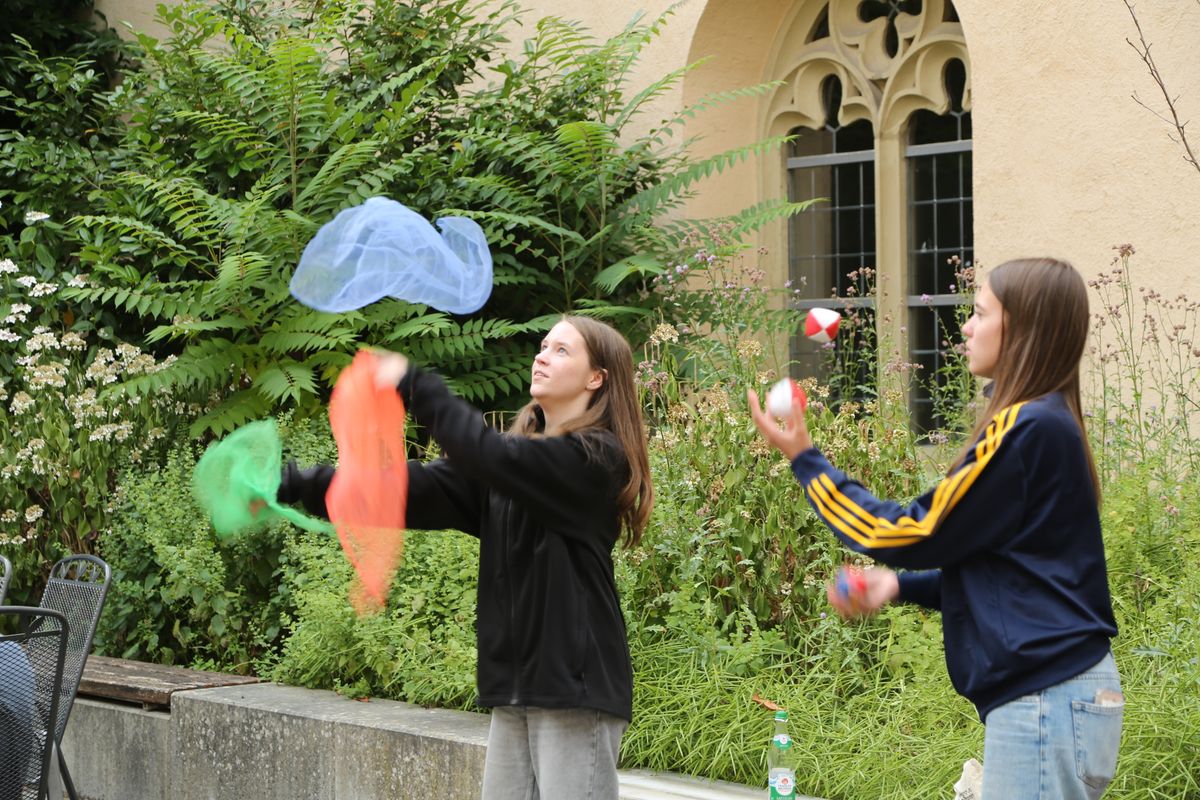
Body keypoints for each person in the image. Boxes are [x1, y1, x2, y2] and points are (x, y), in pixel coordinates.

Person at [749, 258, 1123, 799]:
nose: (966, 327)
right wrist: (899, 585)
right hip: (1062, 698)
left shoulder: (1024, 428)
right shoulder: (1048, 422)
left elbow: (907, 533)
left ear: (1019, 329)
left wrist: (807, 461)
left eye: (979, 313)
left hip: (1047, 700)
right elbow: (1015, 575)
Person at [277, 315, 653, 800]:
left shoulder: (596, 459)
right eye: (543, 345)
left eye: (562, 350)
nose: (541, 355)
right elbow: (397, 490)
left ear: (596, 377)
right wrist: (288, 482)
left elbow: (488, 456)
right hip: (515, 692)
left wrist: (415, 385)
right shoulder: (511, 466)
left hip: (574, 693)